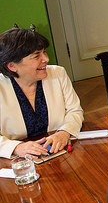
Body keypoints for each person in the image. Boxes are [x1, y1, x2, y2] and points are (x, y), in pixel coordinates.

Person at [0, 28, 83, 159]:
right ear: (12, 66)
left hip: (61, 152)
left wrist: (64, 132)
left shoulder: (58, 73)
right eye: (36, 56)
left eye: (44, 52)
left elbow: (75, 111)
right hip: (19, 161)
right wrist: (16, 148)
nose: (46, 59)